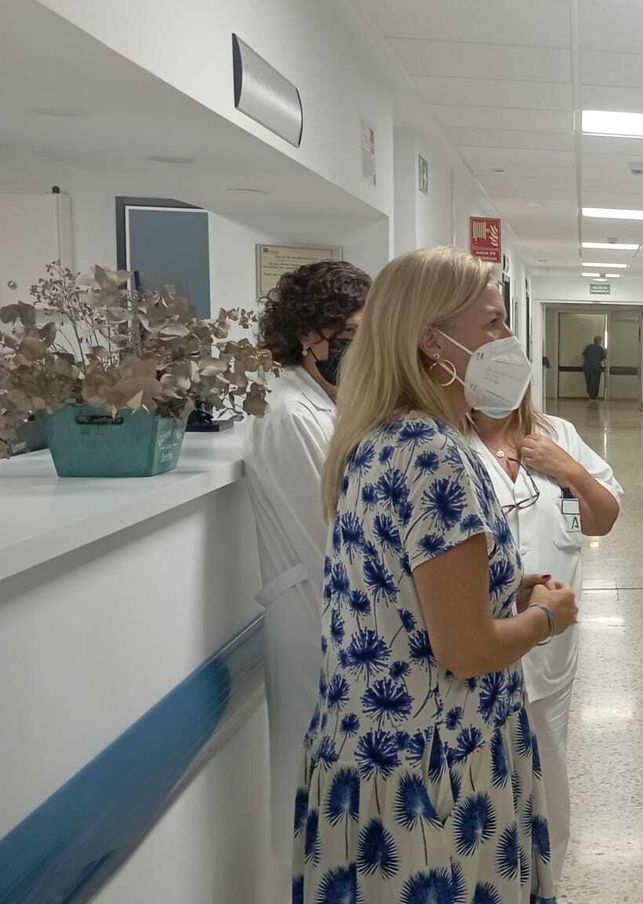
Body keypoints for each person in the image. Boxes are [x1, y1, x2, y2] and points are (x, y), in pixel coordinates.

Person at [299, 246, 575, 902]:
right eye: (493, 323)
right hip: (432, 775)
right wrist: (545, 619)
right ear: (433, 343)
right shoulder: (432, 456)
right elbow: (469, 649)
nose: (509, 340)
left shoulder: (379, 438)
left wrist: (504, 591)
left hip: (372, 757)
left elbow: (405, 595)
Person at [465, 390, 622, 884]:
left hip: (551, 647)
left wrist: (567, 468)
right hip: (475, 650)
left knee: (549, 764)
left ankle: (546, 882)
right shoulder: (446, 442)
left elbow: (603, 518)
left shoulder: (556, 434)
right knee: (479, 781)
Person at [243, 259, 369, 866]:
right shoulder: (289, 413)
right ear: (305, 335)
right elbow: (335, 532)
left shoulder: (329, 403)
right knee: (308, 785)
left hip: (337, 617)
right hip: (314, 618)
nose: (356, 351)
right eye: (344, 337)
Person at [581, 335, 606, 400]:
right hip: (596, 368)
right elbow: (603, 358)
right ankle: (593, 396)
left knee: (588, 381)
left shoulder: (588, 347)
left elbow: (584, 355)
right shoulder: (600, 349)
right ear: (599, 341)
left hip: (587, 367)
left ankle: (590, 394)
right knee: (595, 382)